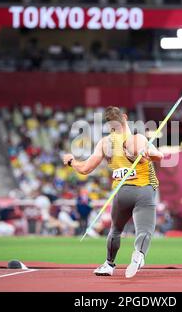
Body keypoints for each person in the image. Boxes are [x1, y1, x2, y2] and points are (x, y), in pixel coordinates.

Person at [62, 106, 164, 278]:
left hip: (121, 193)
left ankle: (108, 264)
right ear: (124, 117)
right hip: (143, 190)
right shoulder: (136, 139)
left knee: (115, 230)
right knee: (144, 230)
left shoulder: (105, 143)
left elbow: (85, 169)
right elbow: (159, 155)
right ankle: (139, 254)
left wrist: (71, 161)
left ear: (109, 125)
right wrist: (148, 151)